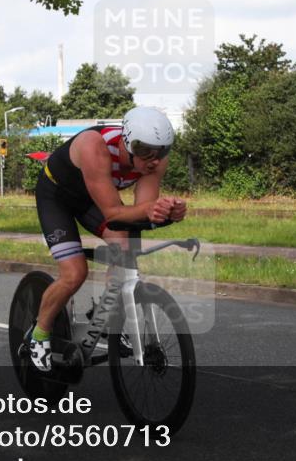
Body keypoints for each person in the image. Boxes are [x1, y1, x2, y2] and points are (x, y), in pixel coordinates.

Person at [29, 106, 186, 371]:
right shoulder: (94, 147)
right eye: (146, 150)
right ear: (127, 142)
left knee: (123, 247)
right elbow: (114, 212)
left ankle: (103, 314)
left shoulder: (154, 160)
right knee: (74, 273)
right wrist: (150, 210)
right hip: (56, 197)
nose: (154, 160)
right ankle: (39, 334)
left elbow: (142, 211)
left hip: (91, 199)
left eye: (162, 151)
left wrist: (167, 211)